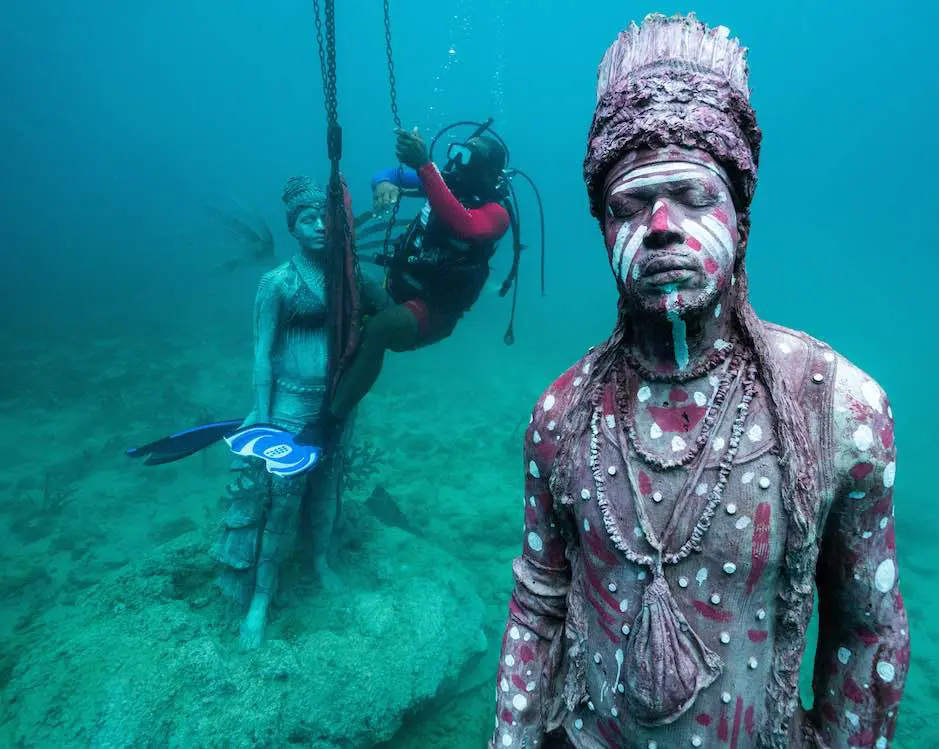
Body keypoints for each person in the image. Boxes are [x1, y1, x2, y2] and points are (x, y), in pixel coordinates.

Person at [489, 13, 909, 749]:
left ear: (739, 220)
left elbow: (868, 631)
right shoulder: (559, 415)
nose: (658, 225)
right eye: (627, 205)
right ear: (603, 231)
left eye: (690, 195)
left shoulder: (841, 409)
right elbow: (537, 606)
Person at [211, 175, 356, 650]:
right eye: (308, 220)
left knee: (328, 488)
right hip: (290, 402)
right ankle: (260, 599)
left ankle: (320, 562)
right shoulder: (277, 282)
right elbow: (261, 352)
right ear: (293, 227)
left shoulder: (345, 278)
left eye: (325, 218)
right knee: (281, 501)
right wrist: (263, 411)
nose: (319, 226)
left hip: (334, 403)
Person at [325, 127, 512, 424]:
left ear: (489, 172)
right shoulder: (442, 185)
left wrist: (425, 167)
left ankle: (329, 421)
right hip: (397, 290)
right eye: (457, 154)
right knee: (345, 282)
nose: (458, 165)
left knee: (380, 329)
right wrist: (383, 183)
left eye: (468, 159)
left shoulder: (496, 214)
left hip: (435, 312)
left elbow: (466, 225)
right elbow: (390, 174)